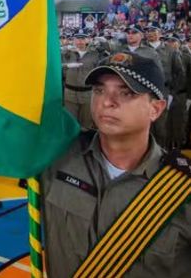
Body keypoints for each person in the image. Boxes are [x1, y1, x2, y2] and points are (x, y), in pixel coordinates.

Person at [42, 52, 191, 277]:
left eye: (127, 93)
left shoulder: (182, 190)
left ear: (156, 109)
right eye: (99, 90)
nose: (106, 102)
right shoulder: (56, 158)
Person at [62, 31, 101, 129]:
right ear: (74, 40)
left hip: (87, 93)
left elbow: (99, 70)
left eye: (83, 39)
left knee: (86, 122)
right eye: (78, 39)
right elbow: (56, 66)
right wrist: (66, 65)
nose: (80, 41)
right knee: (70, 121)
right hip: (70, 92)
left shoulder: (94, 54)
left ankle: (85, 142)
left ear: (87, 40)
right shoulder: (66, 53)